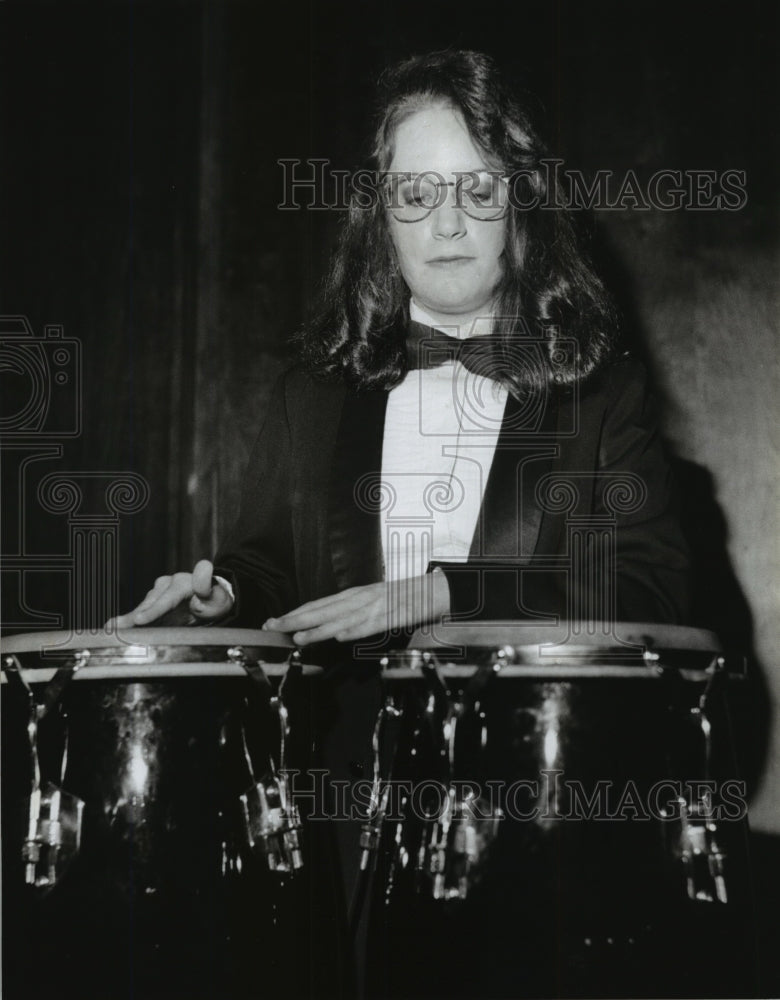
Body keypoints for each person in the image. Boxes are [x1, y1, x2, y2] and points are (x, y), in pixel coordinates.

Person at [113, 49, 689, 642]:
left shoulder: (604, 395)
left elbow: (654, 593)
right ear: (382, 219)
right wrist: (224, 597)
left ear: (523, 209)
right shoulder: (308, 397)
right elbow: (268, 572)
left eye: (478, 191)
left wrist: (446, 592)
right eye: (416, 196)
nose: (447, 224)